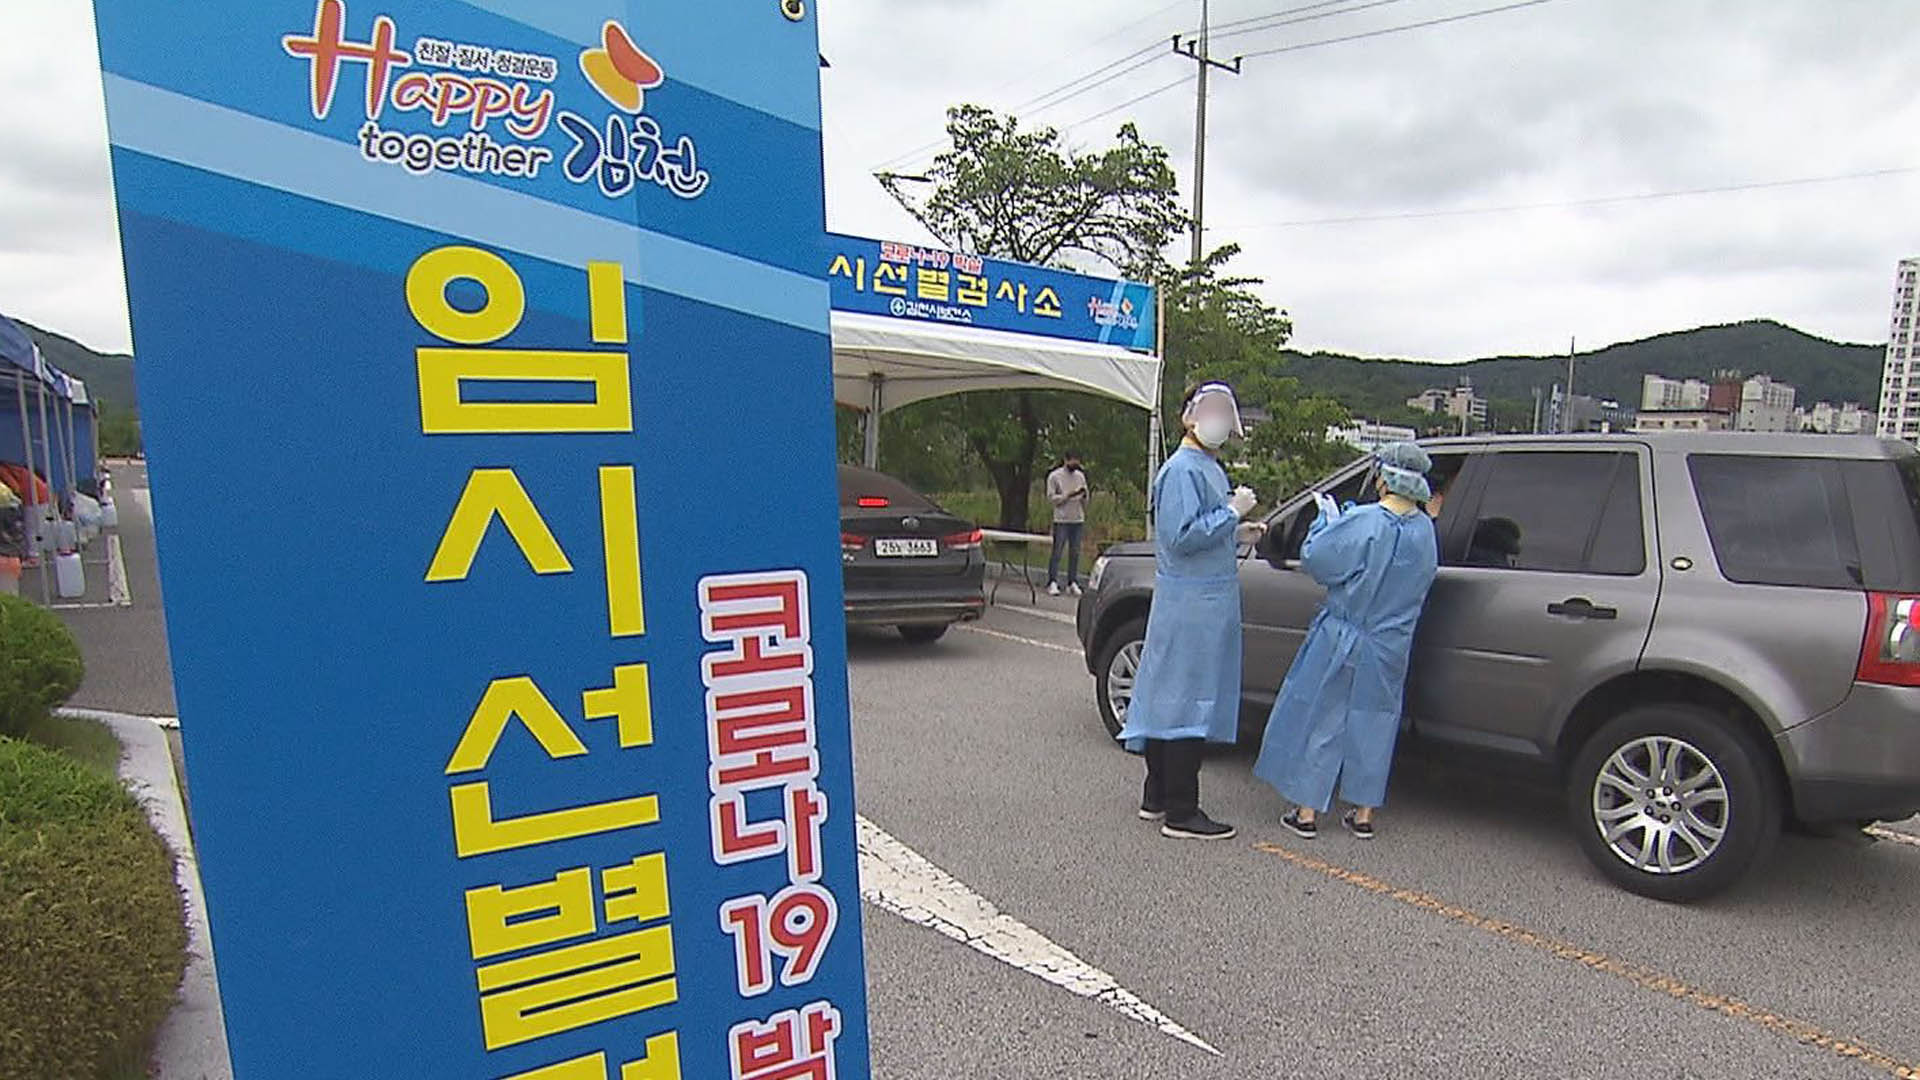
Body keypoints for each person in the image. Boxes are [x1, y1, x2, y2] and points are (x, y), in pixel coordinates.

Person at [1252, 442, 1440, 840]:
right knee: (1376, 721)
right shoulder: (1425, 531)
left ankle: (1307, 811)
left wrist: (1325, 522)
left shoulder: (1365, 521)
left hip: (1345, 633)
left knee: (1325, 717)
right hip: (1391, 644)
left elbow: (1318, 560)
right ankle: (1364, 813)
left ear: (1384, 477)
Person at [1116, 383, 1264, 840]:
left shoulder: (1206, 467)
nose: (1219, 420)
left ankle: (1157, 795)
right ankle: (1182, 810)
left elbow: (1202, 529)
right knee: (1188, 701)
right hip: (1192, 603)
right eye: (1211, 410)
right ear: (1189, 417)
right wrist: (1232, 514)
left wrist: (1236, 531)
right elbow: (1181, 537)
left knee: (1171, 696)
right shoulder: (1182, 469)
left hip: (1200, 600)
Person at [1046, 451, 1090, 596]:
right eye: (1072, 461)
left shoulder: (1080, 476)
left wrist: (1084, 495)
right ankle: (1052, 581)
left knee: (1075, 552)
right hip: (1062, 519)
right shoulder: (1055, 476)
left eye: (1077, 461)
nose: (1075, 464)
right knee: (1057, 551)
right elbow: (1052, 499)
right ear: (1065, 460)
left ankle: (1072, 582)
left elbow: (1086, 499)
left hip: (1077, 519)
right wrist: (1067, 495)